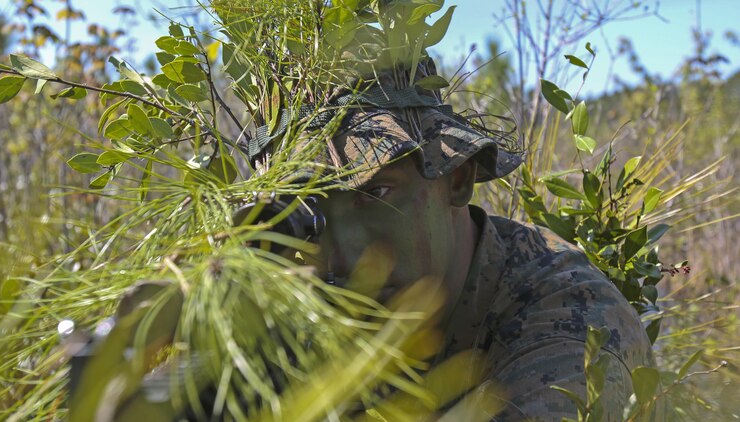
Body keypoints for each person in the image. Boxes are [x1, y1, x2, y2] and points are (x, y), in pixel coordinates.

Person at [244, 57, 658, 420]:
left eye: (376, 193)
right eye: (310, 207)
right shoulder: (304, 311)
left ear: (457, 177)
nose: (343, 253)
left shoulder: (571, 330)